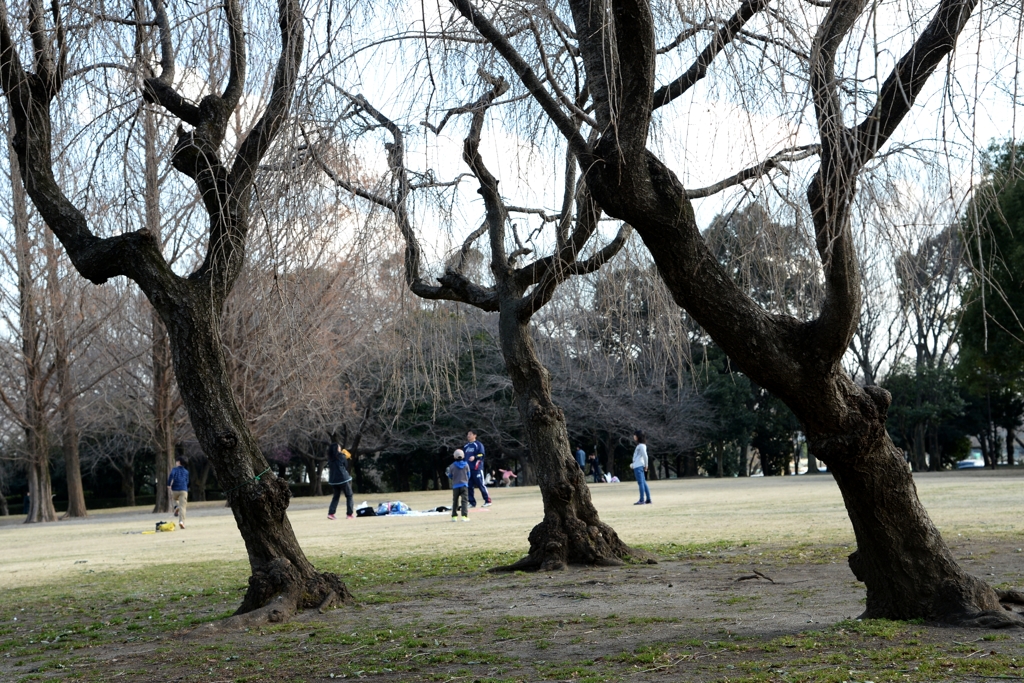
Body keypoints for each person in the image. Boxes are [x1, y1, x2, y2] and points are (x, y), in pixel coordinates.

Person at [463, 430, 492, 507]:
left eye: (470, 434)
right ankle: (472, 502)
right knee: (469, 486)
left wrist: (475, 457)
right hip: (468, 470)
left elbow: (482, 455)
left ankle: (488, 501)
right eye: (468, 434)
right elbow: (464, 457)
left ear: (475, 435)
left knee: (481, 485)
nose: (468, 435)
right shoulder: (466, 446)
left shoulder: (478, 445)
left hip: (477, 468)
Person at [327, 443, 355, 520]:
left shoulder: (330, 458)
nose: (340, 448)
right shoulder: (341, 456)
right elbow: (345, 465)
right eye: (339, 447)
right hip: (343, 479)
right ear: (337, 449)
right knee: (349, 495)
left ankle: (331, 513)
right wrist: (346, 458)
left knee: (336, 497)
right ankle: (349, 514)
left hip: (333, 480)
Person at [447, 449, 471, 521]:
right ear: (463, 456)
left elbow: (450, 476)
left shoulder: (452, 466)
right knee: (464, 501)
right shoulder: (466, 465)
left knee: (455, 501)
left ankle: (454, 516)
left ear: (454, 457)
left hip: (455, 486)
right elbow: (469, 475)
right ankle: (464, 516)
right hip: (464, 485)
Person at [167, 456, 190, 529]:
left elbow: (171, 476)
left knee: (173, 499)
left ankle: (176, 507)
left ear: (179, 462)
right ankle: (181, 522)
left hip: (175, 489)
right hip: (183, 490)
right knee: (183, 507)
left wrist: (168, 484)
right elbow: (187, 481)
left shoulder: (174, 469)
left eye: (176, 461)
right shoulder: (186, 472)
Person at [632, 430, 652, 505]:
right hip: (638, 465)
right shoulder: (640, 445)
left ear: (638, 436)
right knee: (643, 482)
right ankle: (648, 499)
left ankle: (641, 499)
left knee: (640, 483)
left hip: (638, 466)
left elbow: (645, 456)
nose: (634, 437)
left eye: (635, 435)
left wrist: (646, 465)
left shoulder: (641, 446)